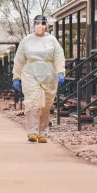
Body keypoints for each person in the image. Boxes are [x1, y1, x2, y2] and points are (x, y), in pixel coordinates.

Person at [12, 15, 66, 143]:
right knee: (33, 102)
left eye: (41, 24)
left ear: (46, 25)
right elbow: (19, 59)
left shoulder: (52, 40)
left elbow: (59, 56)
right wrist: (16, 76)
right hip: (31, 73)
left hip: (48, 75)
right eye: (37, 24)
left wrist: (61, 71)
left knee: (45, 105)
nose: (39, 26)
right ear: (34, 25)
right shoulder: (27, 40)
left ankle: (42, 132)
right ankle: (32, 132)